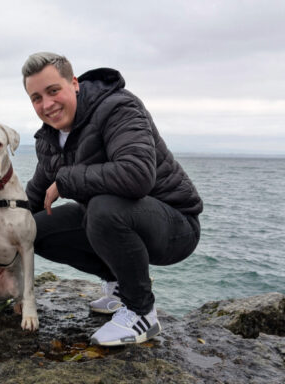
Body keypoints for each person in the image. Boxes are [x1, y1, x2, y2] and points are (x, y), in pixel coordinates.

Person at [21, 52, 202, 346]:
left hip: (175, 226)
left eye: (54, 91)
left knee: (103, 208)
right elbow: (33, 198)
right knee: (32, 229)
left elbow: (138, 175)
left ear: (74, 84)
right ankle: (118, 287)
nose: (47, 104)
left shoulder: (119, 107)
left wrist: (66, 180)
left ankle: (141, 311)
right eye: (36, 98)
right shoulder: (51, 139)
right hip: (110, 218)